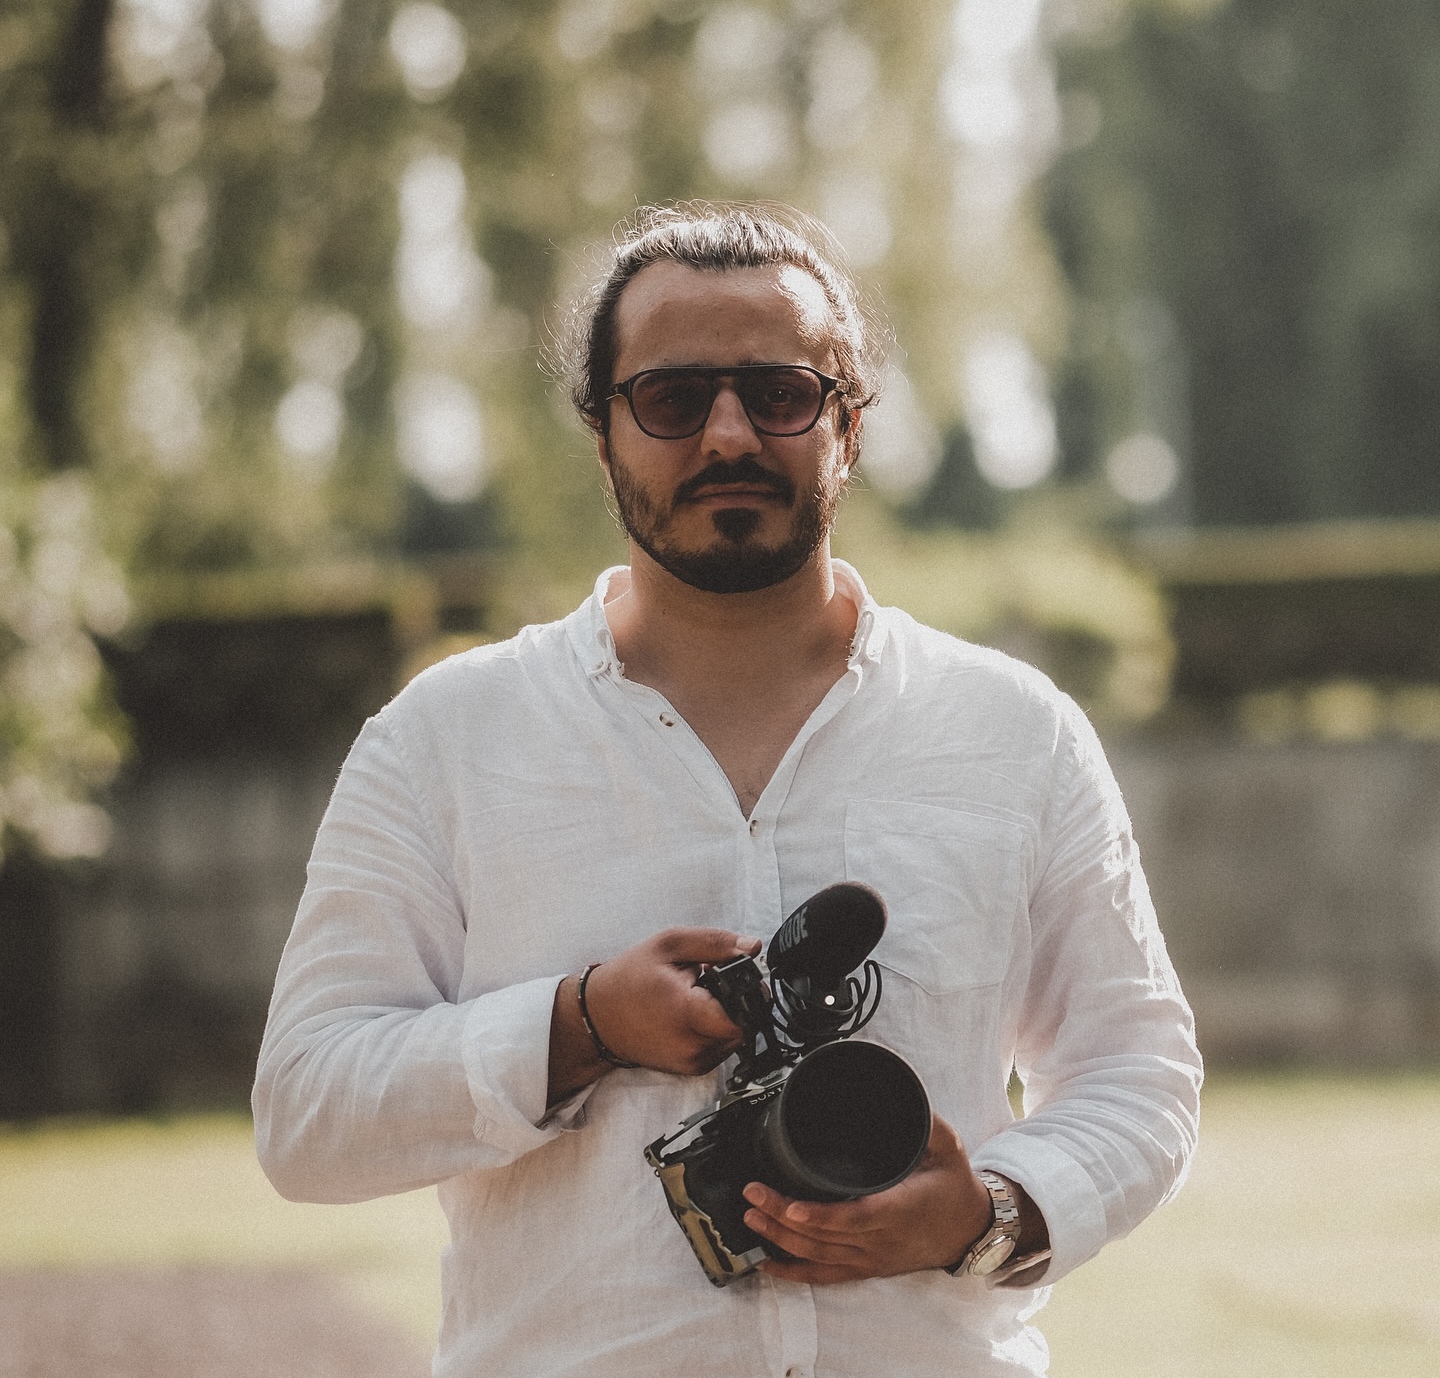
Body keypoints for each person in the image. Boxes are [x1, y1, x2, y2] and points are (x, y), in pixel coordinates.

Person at [253, 203, 1201, 1378]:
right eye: (671, 398)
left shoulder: (1015, 734)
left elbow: (1140, 1073)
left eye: (780, 393)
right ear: (602, 433)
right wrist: (577, 1023)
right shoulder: (442, 741)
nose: (728, 433)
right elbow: (305, 1113)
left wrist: (991, 1215)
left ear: (848, 424)